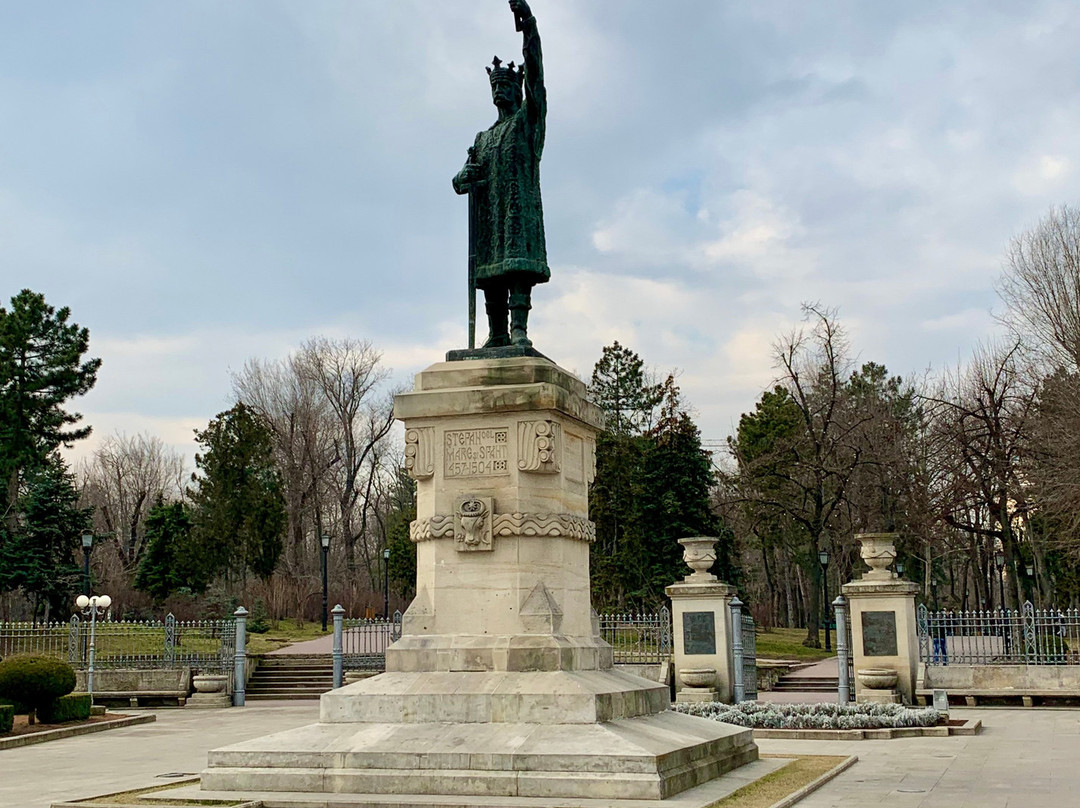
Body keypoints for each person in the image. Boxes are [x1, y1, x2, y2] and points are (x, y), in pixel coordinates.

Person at [453, 0, 548, 349]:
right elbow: (461, 179)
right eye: (495, 85)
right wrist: (465, 175)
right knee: (491, 271)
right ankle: (496, 333)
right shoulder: (483, 138)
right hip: (490, 221)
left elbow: (537, 79)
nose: (499, 90)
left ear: (515, 89)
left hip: (517, 216)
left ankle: (518, 329)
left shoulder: (527, 123)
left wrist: (529, 27)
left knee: (517, 266)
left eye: (506, 85)